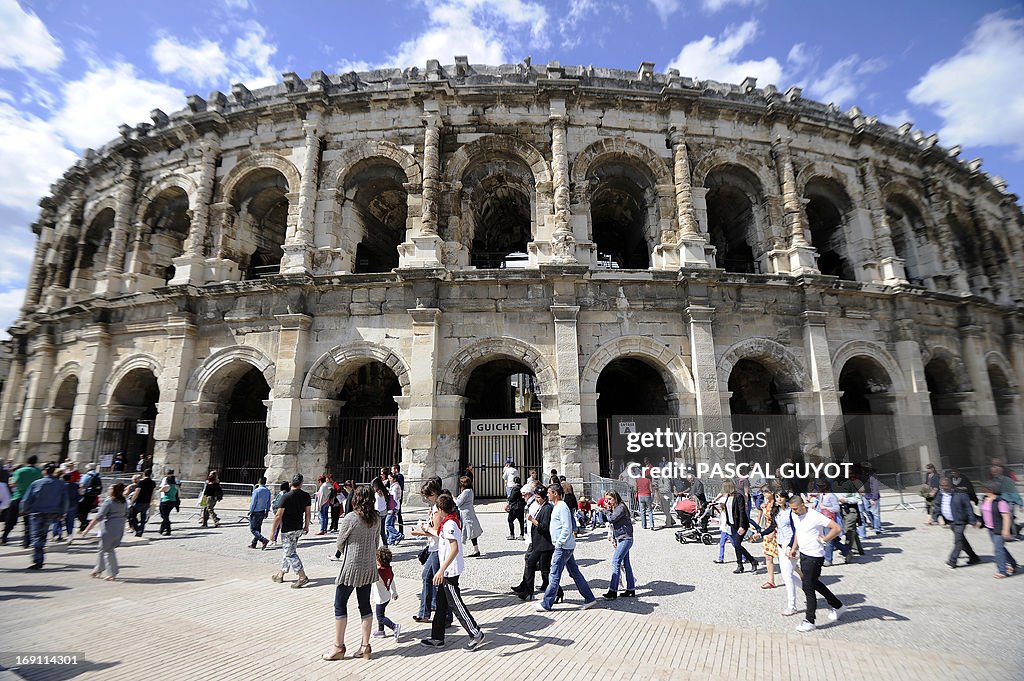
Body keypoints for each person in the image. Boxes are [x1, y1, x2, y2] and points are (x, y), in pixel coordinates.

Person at [322, 484, 382, 661]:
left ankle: (338, 646)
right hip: (368, 566)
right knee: (364, 605)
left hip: (351, 566)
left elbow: (339, 542)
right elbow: (376, 542)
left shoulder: (351, 518)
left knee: (340, 604)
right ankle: (365, 645)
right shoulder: (376, 518)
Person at [420, 493, 486, 650]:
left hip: (449, 572)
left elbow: (454, 548)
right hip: (447, 571)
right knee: (442, 605)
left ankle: (475, 633)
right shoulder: (448, 522)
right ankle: (437, 638)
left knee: (456, 605)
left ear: (442, 509)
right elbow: (441, 536)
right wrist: (427, 528)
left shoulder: (449, 524)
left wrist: (441, 570)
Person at [788, 494, 845, 632]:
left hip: (815, 555)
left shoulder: (815, 516)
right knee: (814, 583)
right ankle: (838, 606)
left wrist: (824, 539)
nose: (793, 511)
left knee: (808, 586)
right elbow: (798, 532)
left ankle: (809, 620)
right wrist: (794, 548)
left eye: (795, 508)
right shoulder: (795, 515)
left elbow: (836, 528)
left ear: (803, 505)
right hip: (804, 553)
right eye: (792, 509)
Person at [536, 484, 597, 612]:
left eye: (549, 493)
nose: (547, 495)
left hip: (563, 547)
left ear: (555, 494)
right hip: (565, 546)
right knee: (575, 573)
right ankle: (590, 598)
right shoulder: (557, 506)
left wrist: (559, 543)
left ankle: (547, 603)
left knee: (554, 575)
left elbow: (567, 527)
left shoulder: (562, 507)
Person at [411, 479, 451, 626]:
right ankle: (424, 613)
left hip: (437, 548)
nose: (426, 499)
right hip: (435, 547)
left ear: (433, 494)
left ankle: (446, 615)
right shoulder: (437, 506)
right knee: (427, 577)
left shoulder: (437, 509)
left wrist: (420, 532)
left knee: (439, 582)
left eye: (428, 496)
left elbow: (437, 532)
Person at [21, 463, 68, 569]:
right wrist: (62, 513)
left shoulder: (37, 483)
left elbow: (27, 499)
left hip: (37, 512)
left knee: (36, 536)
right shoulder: (61, 484)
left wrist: (24, 510)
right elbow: (65, 500)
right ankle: (39, 557)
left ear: (45, 471)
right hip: (52, 512)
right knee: (43, 534)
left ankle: (38, 559)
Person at [512, 486, 555, 601]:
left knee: (545, 571)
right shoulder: (541, 507)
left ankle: (557, 591)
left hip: (545, 544)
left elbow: (544, 527)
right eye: (536, 497)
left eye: (539, 497)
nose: (537, 499)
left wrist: (533, 520)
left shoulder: (547, 509)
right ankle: (528, 591)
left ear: (544, 497)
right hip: (539, 543)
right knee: (531, 563)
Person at [270, 474, 312, 587]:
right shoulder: (306, 496)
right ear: (301, 483)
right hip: (298, 527)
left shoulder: (286, 496)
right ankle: (281, 574)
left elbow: (278, 515)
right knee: (288, 550)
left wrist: (272, 532)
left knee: (290, 553)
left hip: (288, 528)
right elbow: (308, 513)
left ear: (290, 483)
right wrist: (306, 526)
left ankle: (302, 576)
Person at [81, 482, 129, 580]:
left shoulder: (109, 501)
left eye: (110, 488)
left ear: (113, 491)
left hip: (108, 528)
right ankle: (97, 570)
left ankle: (112, 573)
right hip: (119, 527)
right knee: (102, 548)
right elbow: (126, 514)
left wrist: (87, 529)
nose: (108, 490)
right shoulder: (124, 501)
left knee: (108, 550)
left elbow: (99, 516)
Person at [931, 476, 980, 568]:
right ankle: (974, 557)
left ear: (951, 484)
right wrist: (936, 517)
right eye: (942, 485)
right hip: (950, 521)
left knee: (958, 541)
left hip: (960, 521)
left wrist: (973, 521)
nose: (944, 487)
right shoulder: (940, 494)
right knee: (962, 540)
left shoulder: (961, 494)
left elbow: (968, 508)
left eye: (946, 485)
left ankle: (952, 561)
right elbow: (937, 505)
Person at [771, 491, 802, 616]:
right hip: (780, 544)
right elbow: (773, 527)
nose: (779, 499)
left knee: (787, 575)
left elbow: (796, 530)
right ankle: (809, 589)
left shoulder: (791, 512)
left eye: (781, 497)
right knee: (787, 573)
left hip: (790, 545)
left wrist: (791, 546)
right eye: (777, 497)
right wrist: (760, 534)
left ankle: (792, 605)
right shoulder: (777, 512)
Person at [978, 482, 1018, 579]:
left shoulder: (1001, 502)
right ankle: (1013, 564)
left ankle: (1002, 571)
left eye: (984, 488)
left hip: (999, 529)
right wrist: (981, 522)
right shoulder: (985, 499)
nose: (982, 490)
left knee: (998, 550)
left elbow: (1006, 517)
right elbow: (984, 513)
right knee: (1000, 548)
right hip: (989, 528)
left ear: (990, 490)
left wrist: (1006, 530)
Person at [602, 490, 636, 599]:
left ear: (615, 498)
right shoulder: (616, 508)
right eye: (607, 499)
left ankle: (613, 591)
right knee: (626, 564)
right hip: (622, 538)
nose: (609, 501)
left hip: (625, 538)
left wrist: (606, 510)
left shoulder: (621, 507)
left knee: (616, 561)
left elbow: (612, 519)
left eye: (610, 499)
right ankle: (631, 589)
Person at [721, 479, 758, 574]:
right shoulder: (728, 497)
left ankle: (749, 562)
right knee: (736, 546)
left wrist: (742, 526)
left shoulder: (739, 496)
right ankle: (743, 565)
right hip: (732, 524)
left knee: (737, 544)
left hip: (740, 525)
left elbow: (742, 512)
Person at [4, 455, 40, 547]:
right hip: (32, 499)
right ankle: (26, 542)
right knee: (28, 522)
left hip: (18, 497)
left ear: (27, 461)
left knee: (11, 520)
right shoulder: (38, 471)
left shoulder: (20, 471)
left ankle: (4, 537)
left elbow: (13, 484)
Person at [371, 546, 401, 641]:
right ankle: (381, 631)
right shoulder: (388, 570)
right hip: (387, 596)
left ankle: (394, 626)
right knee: (382, 614)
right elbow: (392, 581)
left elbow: (371, 577)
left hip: (380, 598)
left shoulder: (378, 572)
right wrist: (394, 593)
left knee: (380, 617)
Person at [752, 491, 780, 589]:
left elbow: (776, 521)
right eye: (763, 492)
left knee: (785, 558)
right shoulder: (765, 504)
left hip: (776, 532)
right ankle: (771, 580)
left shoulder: (777, 505)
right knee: (768, 557)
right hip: (768, 532)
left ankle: (802, 575)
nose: (764, 494)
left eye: (766, 492)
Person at [455, 476, 483, 557]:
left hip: (466, 514)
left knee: (469, 531)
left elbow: (458, 503)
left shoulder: (466, 492)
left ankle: (458, 551)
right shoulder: (469, 491)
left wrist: (453, 498)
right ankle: (475, 549)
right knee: (470, 532)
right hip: (467, 512)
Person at [129, 469, 157, 537]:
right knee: (143, 517)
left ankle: (137, 529)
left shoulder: (141, 482)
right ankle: (141, 530)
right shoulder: (153, 483)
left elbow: (136, 492)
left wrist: (132, 501)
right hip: (147, 502)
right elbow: (153, 493)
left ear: (144, 474)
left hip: (139, 501)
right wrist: (150, 501)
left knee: (132, 516)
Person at [248, 476, 272, 549]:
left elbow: (253, 502)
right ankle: (254, 543)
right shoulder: (267, 491)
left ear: (259, 481)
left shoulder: (257, 491)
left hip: (255, 511)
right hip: (262, 511)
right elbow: (268, 502)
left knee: (253, 529)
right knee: (258, 528)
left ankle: (263, 540)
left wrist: (250, 511)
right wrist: (267, 511)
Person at [78, 463, 102, 532]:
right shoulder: (98, 475)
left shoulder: (87, 475)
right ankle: (82, 527)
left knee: (80, 511)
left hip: (86, 495)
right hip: (94, 495)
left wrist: (80, 493)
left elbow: (81, 485)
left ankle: (85, 523)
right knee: (86, 511)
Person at [268, 481, 290, 547]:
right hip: (281, 511)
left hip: (278, 511)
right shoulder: (284, 494)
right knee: (281, 526)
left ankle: (274, 539)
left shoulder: (281, 493)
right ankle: (275, 539)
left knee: (278, 526)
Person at [636, 461, 654, 530]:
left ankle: (644, 525)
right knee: (649, 511)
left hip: (640, 495)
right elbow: (651, 489)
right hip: (647, 495)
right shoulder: (648, 480)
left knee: (642, 511)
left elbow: (636, 488)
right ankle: (651, 525)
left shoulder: (637, 480)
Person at [386, 471, 404, 545]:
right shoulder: (396, 486)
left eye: (390, 478)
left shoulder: (395, 487)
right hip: (396, 506)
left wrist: (391, 509)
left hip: (393, 507)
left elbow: (393, 499)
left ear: (394, 479)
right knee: (391, 523)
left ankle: (398, 535)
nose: (389, 480)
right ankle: (391, 540)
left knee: (387, 524)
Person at [371, 476, 389, 546]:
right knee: (382, 531)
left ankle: (375, 546)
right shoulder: (385, 491)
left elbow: (377, 506)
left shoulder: (377, 494)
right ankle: (385, 545)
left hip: (378, 513)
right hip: (384, 512)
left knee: (376, 531)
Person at [391, 465, 405, 533]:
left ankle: (400, 532)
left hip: (397, 498)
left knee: (398, 515)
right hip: (396, 498)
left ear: (396, 469)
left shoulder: (399, 477)